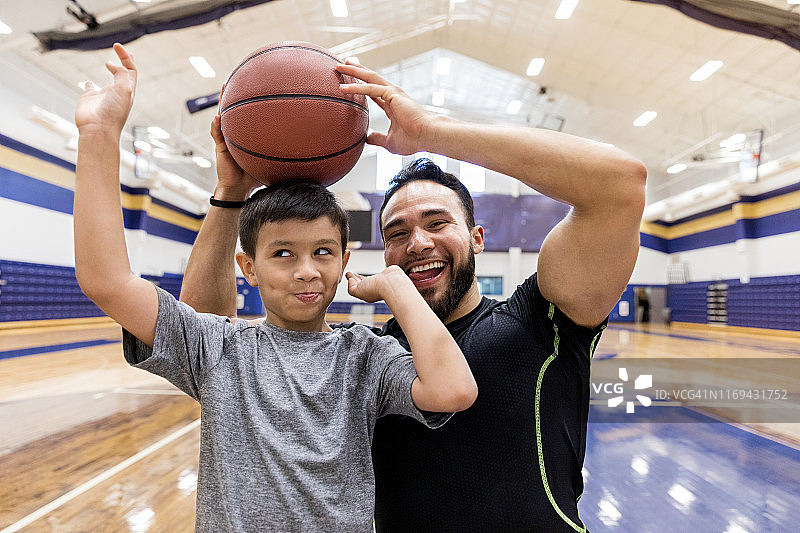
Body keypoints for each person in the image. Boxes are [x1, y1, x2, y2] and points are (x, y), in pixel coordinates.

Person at [181, 59, 647, 531]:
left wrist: (432, 130)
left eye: (437, 222)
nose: (418, 243)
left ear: (478, 237)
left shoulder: (539, 321)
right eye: (397, 232)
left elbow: (620, 185)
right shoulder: (367, 357)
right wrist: (230, 193)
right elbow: (203, 337)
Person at [73, 44, 477, 532]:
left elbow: (454, 390)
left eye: (323, 252)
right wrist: (99, 134)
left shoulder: (365, 356)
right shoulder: (220, 348)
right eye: (283, 254)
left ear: (345, 260)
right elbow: (106, 280)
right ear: (249, 267)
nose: (306, 270)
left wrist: (395, 284)